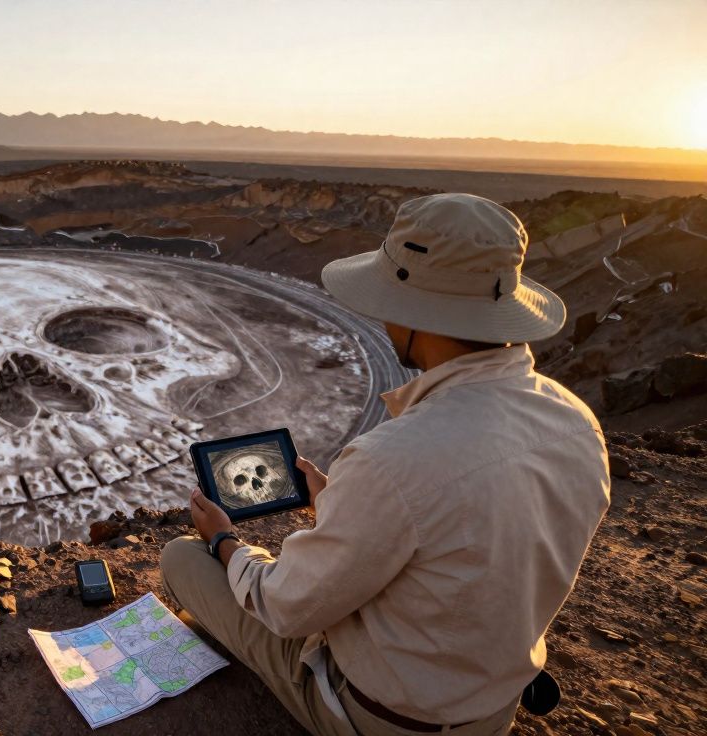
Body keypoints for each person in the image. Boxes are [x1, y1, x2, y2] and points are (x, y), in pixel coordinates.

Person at [161, 193, 610, 736]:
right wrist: (341, 501)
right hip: (493, 710)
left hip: (387, 721)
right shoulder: (576, 421)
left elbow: (284, 606)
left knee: (183, 557)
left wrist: (223, 540)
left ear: (416, 315)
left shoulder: (393, 457)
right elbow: (465, 539)